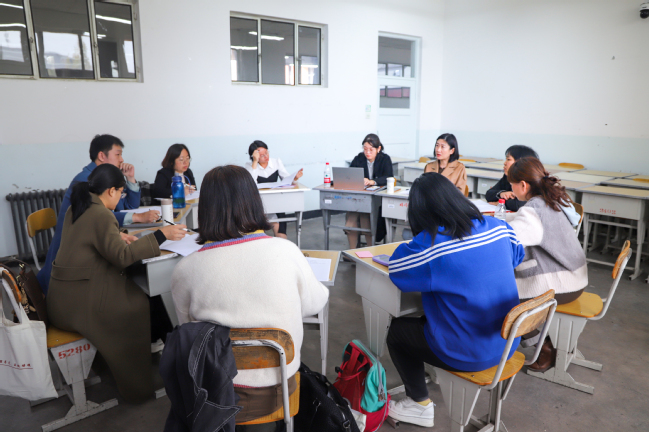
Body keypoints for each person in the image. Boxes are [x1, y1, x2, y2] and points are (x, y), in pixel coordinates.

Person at [171, 165, 329, 422]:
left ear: (205, 209)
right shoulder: (286, 251)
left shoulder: (185, 269)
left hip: (213, 396)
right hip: (279, 391)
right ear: (254, 201)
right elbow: (314, 303)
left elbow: (188, 331)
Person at [386, 172, 524, 427]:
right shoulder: (499, 227)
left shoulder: (432, 245)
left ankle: (418, 403)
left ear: (419, 213)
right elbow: (517, 256)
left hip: (466, 352)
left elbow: (397, 270)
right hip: (507, 342)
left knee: (397, 331)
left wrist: (420, 239)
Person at [46, 164, 187, 403]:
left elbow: (89, 236)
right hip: (81, 302)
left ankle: (168, 352)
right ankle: (144, 382)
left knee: (146, 298)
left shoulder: (78, 207)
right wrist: (161, 235)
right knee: (139, 303)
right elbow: (122, 257)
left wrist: (116, 235)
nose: (121, 198)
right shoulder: (101, 214)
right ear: (111, 191)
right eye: (121, 193)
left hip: (63, 297)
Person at [37, 135, 160, 294]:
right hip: (68, 272)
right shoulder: (86, 181)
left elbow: (129, 205)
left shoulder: (107, 179)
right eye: (118, 154)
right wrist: (138, 217)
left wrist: (130, 178)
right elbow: (97, 216)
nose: (122, 159)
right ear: (102, 156)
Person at [505, 156, 586, 372]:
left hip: (563, 284)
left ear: (523, 185)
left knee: (503, 300)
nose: (511, 189)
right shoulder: (550, 201)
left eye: (511, 184)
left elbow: (507, 240)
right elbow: (523, 224)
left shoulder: (533, 211)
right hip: (575, 276)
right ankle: (545, 342)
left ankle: (544, 348)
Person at [245, 140, 303, 239]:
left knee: (282, 238)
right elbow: (250, 184)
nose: (266, 156)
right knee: (259, 238)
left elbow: (286, 179)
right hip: (258, 206)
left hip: (275, 203)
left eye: (267, 152)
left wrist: (295, 178)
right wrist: (255, 162)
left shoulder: (276, 162)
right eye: (262, 155)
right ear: (254, 156)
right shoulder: (249, 166)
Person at [346, 133, 393, 248]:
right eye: (365, 149)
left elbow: (388, 177)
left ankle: (369, 249)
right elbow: (349, 175)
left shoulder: (385, 159)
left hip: (377, 199)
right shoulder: (359, 158)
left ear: (378, 149)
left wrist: (373, 181)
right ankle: (352, 250)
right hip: (360, 198)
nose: (367, 152)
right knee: (350, 223)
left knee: (366, 218)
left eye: (371, 149)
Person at [485, 144, 539, 211]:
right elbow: (489, 194)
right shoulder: (507, 176)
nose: (505, 163)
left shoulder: (529, 179)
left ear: (521, 162)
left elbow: (519, 204)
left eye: (508, 159)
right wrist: (502, 194)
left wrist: (500, 203)